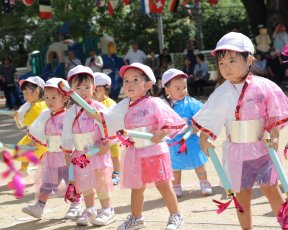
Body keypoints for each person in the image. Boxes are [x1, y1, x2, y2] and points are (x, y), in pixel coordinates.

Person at [191, 32, 288, 230]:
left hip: (263, 149)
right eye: (221, 63)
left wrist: (275, 134)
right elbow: (211, 116)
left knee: (271, 189)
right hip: (237, 151)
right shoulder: (221, 91)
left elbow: (274, 112)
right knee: (242, 194)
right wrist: (204, 136)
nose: (225, 67)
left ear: (249, 60)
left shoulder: (265, 86)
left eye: (232, 61)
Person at [94, 63, 185, 230]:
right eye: (126, 80)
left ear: (148, 85)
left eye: (135, 80)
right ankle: (136, 218)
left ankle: (175, 216)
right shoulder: (123, 105)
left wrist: (161, 133)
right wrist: (93, 112)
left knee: (163, 185)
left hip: (154, 151)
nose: (129, 84)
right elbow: (110, 120)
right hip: (135, 153)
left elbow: (169, 121)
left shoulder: (154, 103)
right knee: (137, 187)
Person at [60, 65, 115, 226]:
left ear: (94, 88)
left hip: (97, 152)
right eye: (78, 88)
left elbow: (109, 125)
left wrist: (106, 142)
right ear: (71, 91)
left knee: (101, 181)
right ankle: (90, 208)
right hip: (80, 154)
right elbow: (67, 133)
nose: (83, 91)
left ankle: (107, 210)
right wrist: (67, 152)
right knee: (85, 183)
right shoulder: (71, 112)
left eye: (87, 87)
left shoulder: (98, 108)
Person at [22, 78, 83, 219]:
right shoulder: (45, 114)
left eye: (54, 97)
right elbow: (37, 131)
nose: (50, 101)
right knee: (47, 182)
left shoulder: (69, 115)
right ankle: (39, 206)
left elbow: (76, 134)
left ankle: (76, 205)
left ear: (65, 98)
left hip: (66, 156)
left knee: (71, 181)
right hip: (51, 156)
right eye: (47, 97)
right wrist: (32, 143)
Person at [161, 68, 212, 198]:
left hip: (191, 138)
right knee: (175, 166)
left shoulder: (191, 103)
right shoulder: (163, 105)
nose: (182, 91)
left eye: (184, 87)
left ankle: (204, 182)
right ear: (167, 90)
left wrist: (195, 127)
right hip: (172, 141)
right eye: (177, 88)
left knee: (198, 162)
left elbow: (203, 114)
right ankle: (176, 186)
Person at [13, 76, 47, 174]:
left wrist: (19, 117)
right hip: (32, 135)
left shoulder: (40, 105)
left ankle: (45, 174)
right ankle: (24, 170)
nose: (25, 96)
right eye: (24, 93)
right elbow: (22, 120)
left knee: (42, 156)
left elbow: (28, 121)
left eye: (27, 92)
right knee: (25, 151)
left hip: (40, 137)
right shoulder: (29, 105)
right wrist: (17, 116)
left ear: (37, 91)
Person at [93, 72, 120, 185]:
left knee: (114, 154)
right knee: (99, 156)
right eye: (94, 89)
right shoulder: (92, 103)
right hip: (98, 136)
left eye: (99, 89)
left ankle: (117, 174)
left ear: (106, 89)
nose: (96, 92)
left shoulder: (111, 103)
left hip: (111, 136)